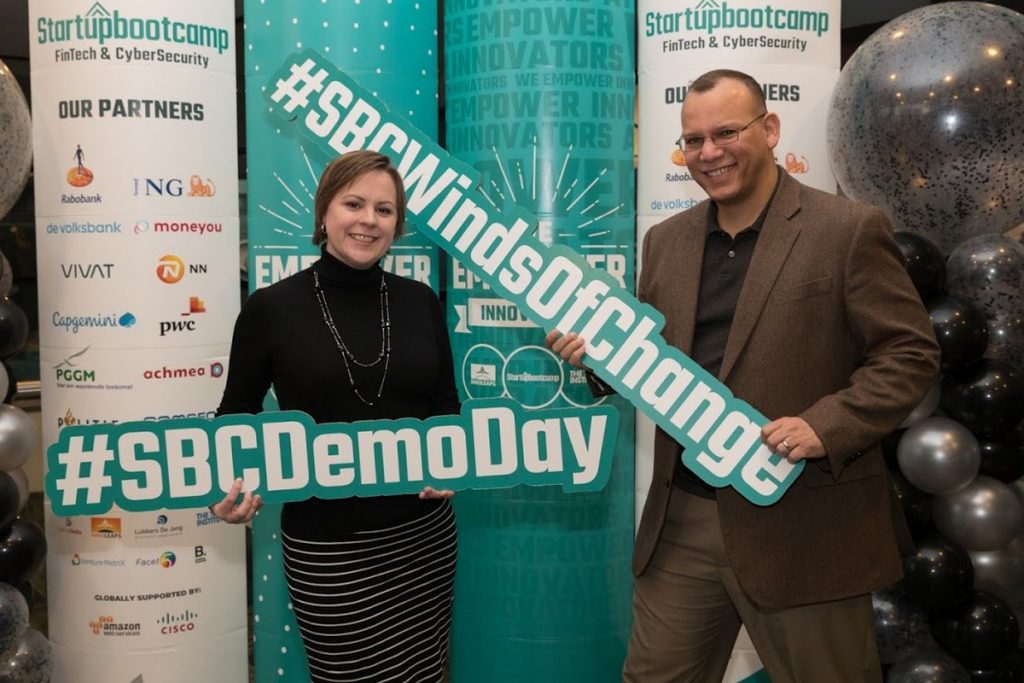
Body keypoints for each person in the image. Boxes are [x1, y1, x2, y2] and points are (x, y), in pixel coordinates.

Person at [547, 69, 940, 682]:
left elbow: (910, 354)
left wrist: (825, 425)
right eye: (693, 140)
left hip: (802, 520)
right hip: (683, 518)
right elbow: (660, 358)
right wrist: (600, 361)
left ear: (770, 128)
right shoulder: (665, 242)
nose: (709, 152)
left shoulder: (847, 229)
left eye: (726, 132)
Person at [210, 150, 460, 682]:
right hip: (328, 549)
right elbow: (236, 415)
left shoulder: (421, 301)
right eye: (354, 203)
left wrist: (450, 463)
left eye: (384, 209)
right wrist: (226, 490)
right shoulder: (270, 308)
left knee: (425, 673)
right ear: (324, 212)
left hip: (424, 537)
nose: (368, 219)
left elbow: (445, 405)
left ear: (398, 224)